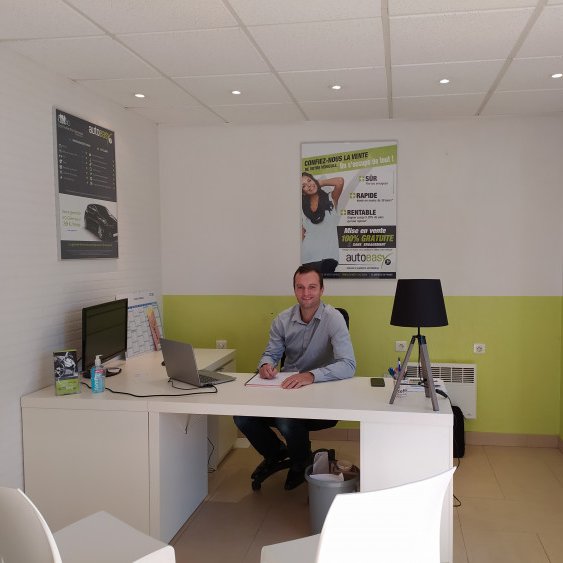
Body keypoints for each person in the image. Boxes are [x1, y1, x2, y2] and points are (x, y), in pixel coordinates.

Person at [233, 265, 356, 490]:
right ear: (294, 290)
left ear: (322, 290)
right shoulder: (282, 320)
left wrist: (311, 375)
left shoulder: (334, 318)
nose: (306, 293)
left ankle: (300, 462)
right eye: (300, 287)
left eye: (312, 287)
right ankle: (276, 454)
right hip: (287, 389)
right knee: (242, 417)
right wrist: (265, 365)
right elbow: (271, 353)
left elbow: (348, 365)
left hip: (321, 391)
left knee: (286, 420)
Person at [301, 172, 344, 274]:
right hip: (308, 257)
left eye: (309, 180)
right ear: (302, 192)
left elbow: (340, 181)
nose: (309, 185)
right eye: (304, 186)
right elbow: (302, 232)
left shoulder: (331, 198)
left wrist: (319, 182)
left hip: (329, 257)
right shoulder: (303, 208)